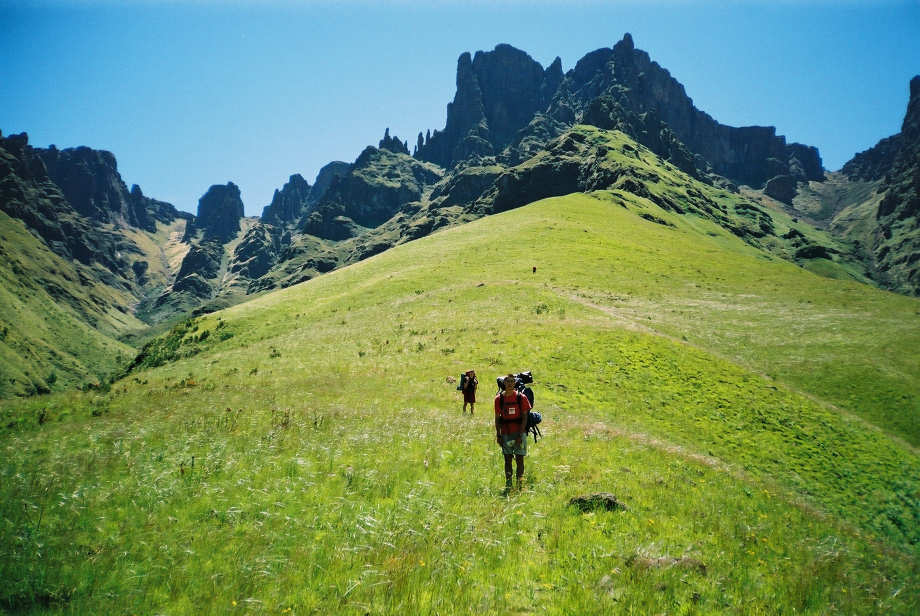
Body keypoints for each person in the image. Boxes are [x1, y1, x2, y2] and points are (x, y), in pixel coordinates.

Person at [495, 374, 532, 490]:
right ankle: (509, 485)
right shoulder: (498, 399)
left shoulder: (522, 397)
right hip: (505, 433)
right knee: (507, 459)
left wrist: (521, 434)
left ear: (515, 383)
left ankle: (520, 485)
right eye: (507, 381)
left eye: (512, 381)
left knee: (520, 459)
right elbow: (497, 418)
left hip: (519, 433)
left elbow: (525, 417)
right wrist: (498, 434)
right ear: (504, 383)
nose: (510, 383)